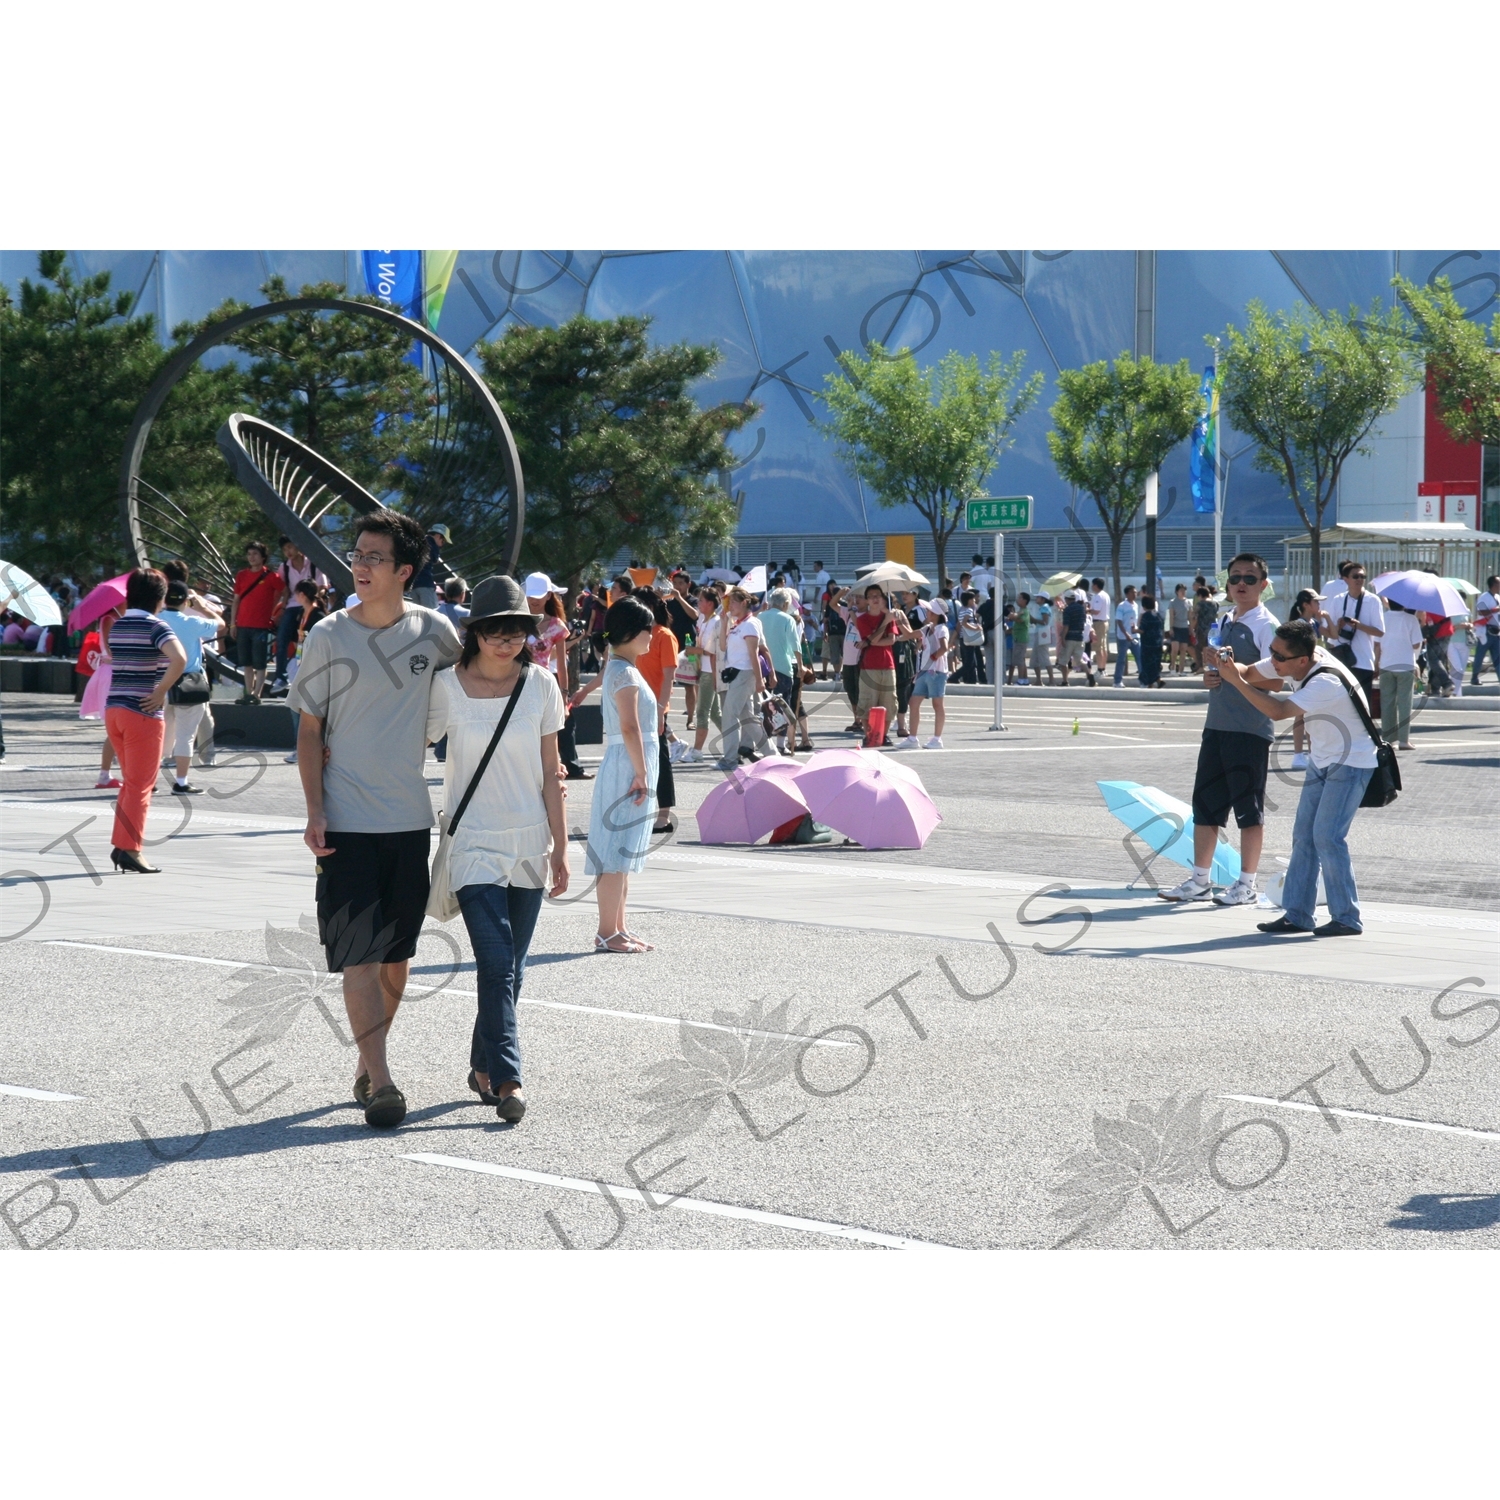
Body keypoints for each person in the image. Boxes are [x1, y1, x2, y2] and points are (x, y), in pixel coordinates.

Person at [289, 508, 462, 1130]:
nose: (360, 566)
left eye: (374, 558)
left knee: (395, 955)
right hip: (345, 821)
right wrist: (314, 809)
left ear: (405, 570)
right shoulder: (329, 635)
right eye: (357, 555)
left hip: (409, 819)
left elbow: (477, 689)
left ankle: (367, 1061)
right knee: (358, 953)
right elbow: (310, 730)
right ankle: (383, 1079)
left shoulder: (435, 633)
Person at [426, 575, 569, 1121]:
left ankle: (481, 1065)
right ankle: (509, 1079)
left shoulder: (541, 686)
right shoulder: (445, 686)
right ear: (475, 632)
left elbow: (549, 770)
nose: (506, 642)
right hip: (473, 843)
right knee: (494, 959)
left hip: (530, 840)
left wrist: (560, 846)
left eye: (516, 633)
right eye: (495, 632)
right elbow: (409, 742)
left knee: (513, 963)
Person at [1215, 621, 1379, 938]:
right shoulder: (1294, 656)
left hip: (1352, 761)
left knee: (1328, 837)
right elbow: (1249, 672)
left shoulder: (1325, 681)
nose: (1273, 661)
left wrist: (1234, 681)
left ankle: (1347, 917)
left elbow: (1278, 712)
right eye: (1272, 653)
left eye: (1279, 657)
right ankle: (1298, 915)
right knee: (1304, 837)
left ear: (1302, 660)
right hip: (1324, 758)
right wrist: (1226, 664)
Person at [1159, 553, 1282, 907]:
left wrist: (1236, 672)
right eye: (1235, 578)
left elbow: (1277, 681)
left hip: (1250, 729)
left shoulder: (1266, 625)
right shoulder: (1225, 618)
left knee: (1248, 810)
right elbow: (1217, 668)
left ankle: (1246, 884)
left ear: (1264, 585)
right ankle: (1200, 880)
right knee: (1206, 806)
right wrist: (1211, 675)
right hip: (1216, 724)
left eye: (1250, 578)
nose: (1241, 584)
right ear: (1227, 584)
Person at [587, 597, 660, 953]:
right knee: (616, 851)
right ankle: (607, 931)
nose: (652, 634)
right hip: (628, 764)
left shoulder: (618, 667)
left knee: (623, 851)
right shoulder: (625, 671)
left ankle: (618, 927)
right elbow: (630, 727)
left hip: (627, 761)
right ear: (630, 631)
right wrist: (642, 772)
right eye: (647, 628)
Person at [103, 569, 188, 874]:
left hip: (114, 708)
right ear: (159, 596)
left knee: (129, 784)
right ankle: (130, 849)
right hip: (143, 713)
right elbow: (180, 659)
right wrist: (160, 691)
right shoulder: (156, 626)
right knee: (141, 786)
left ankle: (121, 845)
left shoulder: (119, 625)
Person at [159, 581, 221, 795]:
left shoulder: (155, 620)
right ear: (186, 601)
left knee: (158, 735)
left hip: (159, 683)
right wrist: (201, 606)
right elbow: (220, 624)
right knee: (185, 735)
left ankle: (149, 780)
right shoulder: (192, 621)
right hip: (189, 683)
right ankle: (181, 782)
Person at [632, 587, 679, 832]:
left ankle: (664, 815)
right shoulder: (637, 634)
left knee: (660, 758)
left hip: (655, 707)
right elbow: (606, 634)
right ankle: (643, 810)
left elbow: (670, 675)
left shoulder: (663, 635)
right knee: (639, 759)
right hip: (634, 704)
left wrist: (661, 708)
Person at [715, 585, 771, 768]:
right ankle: (772, 754)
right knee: (747, 718)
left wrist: (760, 679)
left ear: (745, 603)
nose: (729, 606)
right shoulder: (737, 625)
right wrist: (724, 622)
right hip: (737, 674)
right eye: (728, 602)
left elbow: (754, 654)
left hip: (745, 673)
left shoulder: (750, 623)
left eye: (733, 603)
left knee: (729, 715)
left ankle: (730, 759)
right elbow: (723, 647)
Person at [269, 538, 327, 692]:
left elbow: (323, 587)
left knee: (311, 641)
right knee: (284, 640)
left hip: (310, 608)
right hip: (293, 607)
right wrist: (280, 609)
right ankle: (282, 677)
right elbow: (284, 590)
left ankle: (317, 675)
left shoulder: (313, 564)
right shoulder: (284, 568)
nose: (288, 552)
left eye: (290, 547)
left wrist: (313, 598)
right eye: (284, 549)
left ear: (298, 547)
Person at [230, 541, 280, 702]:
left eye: (255, 554)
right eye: (249, 554)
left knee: (260, 662)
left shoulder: (271, 576)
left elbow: (284, 592)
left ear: (263, 557)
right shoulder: (242, 575)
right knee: (246, 662)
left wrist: (277, 610)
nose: (251, 557)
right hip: (243, 624)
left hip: (261, 626)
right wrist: (233, 623)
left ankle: (257, 694)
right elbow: (236, 600)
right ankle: (248, 693)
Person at [1327, 564, 1384, 700]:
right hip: (1342, 661)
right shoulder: (1338, 600)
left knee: (1363, 707)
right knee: (1342, 705)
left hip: (1364, 661)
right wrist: (1339, 626)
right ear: (1345, 579)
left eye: (1362, 576)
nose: (1359, 579)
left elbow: (1380, 632)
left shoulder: (1372, 600)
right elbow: (1330, 633)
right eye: (1355, 576)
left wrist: (1358, 626)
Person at [1285, 589, 1327, 768]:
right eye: (1316, 601)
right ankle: (1298, 754)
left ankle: (1311, 753)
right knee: (1301, 714)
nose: (1319, 605)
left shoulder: (1313, 623)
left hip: (1313, 672)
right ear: (1305, 604)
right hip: (1301, 672)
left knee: (1311, 714)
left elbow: (1332, 635)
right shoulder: (1299, 625)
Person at [760, 588, 805, 755]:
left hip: (763, 668)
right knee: (782, 707)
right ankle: (781, 744)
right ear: (786, 604)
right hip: (783, 667)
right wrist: (800, 666)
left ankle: (766, 744)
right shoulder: (787, 619)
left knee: (764, 707)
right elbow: (795, 645)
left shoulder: (759, 617)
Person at [855, 583, 899, 744]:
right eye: (871, 596)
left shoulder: (889, 616)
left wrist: (874, 639)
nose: (875, 599)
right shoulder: (863, 619)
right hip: (869, 666)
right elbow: (872, 640)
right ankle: (869, 735)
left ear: (883, 598)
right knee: (868, 702)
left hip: (888, 665)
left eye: (878, 596)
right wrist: (884, 624)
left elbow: (891, 640)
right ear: (866, 600)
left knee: (889, 701)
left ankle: (883, 734)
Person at [1377, 599, 1423, 751]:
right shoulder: (1411, 619)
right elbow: (1416, 644)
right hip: (1405, 664)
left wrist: (1376, 663)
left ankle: (1388, 739)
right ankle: (1404, 740)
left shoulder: (1382, 617)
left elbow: (1377, 643)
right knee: (1404, 703)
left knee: (1387, 703)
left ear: (1388, 602)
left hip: (1386, 664)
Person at [684, 586, 723, 763]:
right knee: (715, 713)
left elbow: (713, 652)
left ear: (710, 603)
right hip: (703, 669)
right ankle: (735, 743)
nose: (698, 603)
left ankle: (697, 751)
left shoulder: (716, 622)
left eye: (700, 600)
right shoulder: (702, 620)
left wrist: (694, 650)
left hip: (711, 671)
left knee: (702, 712)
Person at [904, 602, 950, 748]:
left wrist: (934, 657)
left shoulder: (941, 629)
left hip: (937, 671)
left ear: (935, 613)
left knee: (937, 704)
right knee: (914, 702)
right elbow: (909, 634)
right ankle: (912, 738)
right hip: (924, 671)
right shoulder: (927, 628)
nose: (926, 612)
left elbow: (944, 647)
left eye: (929, 610)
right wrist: (899, 619)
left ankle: (937, 739)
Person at [409, 522, 453, 608]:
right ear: (437, 535)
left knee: (417, 614)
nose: (442, 544)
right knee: (432, 614)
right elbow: (434, 558)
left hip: (413, 585)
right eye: (443, 540)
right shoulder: (432, 544)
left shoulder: (418, 541)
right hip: (425, 584)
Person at [1059, 589, 1094, 687]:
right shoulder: (1081, 608)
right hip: (1080, 637)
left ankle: (1065, 681)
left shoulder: (1067, 610)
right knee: (1079, 660)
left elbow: (1066, 625)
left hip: (1070, 637)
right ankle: (1089, 674)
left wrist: (1062, 637)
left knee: (1063, 661)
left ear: (1067, 599)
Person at [1471, 575, 1500, 685]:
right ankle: (1474, 677)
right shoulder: (1484, 597)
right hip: (1486, 631)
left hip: (1496, 631)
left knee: (1498, 656)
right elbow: (1481, 612)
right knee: (1480, 655)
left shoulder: (1497, 597)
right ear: (1494, 584)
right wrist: (1497, 609)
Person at [1112, 585, 1141, 686]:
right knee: (1121, 659)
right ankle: (1117, 681)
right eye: (1133, 592)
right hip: (1123, 637)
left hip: (1135, 636)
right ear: (1127, 593)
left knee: (1139, 657)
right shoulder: (1122, 605)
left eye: (1136, 592)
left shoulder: (1136, 605)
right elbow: (1119, 621)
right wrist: (1126, 633)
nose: (1135, 594)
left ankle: (1143, 680)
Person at [956, 589, 986, 683]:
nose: (974, 601)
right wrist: (976, 628)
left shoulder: (961, 609)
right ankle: (954, 677)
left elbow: (961, 623)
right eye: (973, 599)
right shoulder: (969, 610)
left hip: (963, 637)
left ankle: (971, 680)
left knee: (971, 662)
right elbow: (964, 623)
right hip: (969, 638)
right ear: (969, 600)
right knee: (970, 663)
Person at [1137, 594, 1164, 688]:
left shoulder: (1146, 616)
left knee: (1147, 664)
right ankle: (1157, 679)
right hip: (1158, 643)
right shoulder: (1158, 616)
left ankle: (1148, 683)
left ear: (1144, 606)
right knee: (1156, 663)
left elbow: (1142, 630)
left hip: (1147, 644)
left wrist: (1134, 630)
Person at [1029, 592, 1055, 684]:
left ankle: (1051, 680)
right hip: (1040, 633)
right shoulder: (1043, 607)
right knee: (1035, 658)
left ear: (1043, 599)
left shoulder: (1044, 607)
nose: (1036, 599)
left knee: (1044, 657)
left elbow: (1044, 622)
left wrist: (1033, 619)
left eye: (1038, 597)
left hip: (1042, 634)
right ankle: (1038, 680)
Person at [1167, 584, 1193, 674]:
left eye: (1184, 590)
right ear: (1177, 591)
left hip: (1184, 627)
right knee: (1175, 649)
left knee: (1183, 649)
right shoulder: (1173, 602)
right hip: (1175, 627)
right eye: (1181, 590)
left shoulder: (1188, 602)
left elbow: (1190, 617)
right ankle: (1173, 668)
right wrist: (1170, 628)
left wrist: (1191, 629)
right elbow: (1171, 616)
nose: (1183, 592)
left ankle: (1181, 670)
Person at [1192, 586, 1218, 672]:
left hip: (1202, 629)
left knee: (1197, 647)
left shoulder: (1200, 604)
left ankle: (1200, 667)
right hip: (1213, 628)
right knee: (1212, 649)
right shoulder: (1215, 604)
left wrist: (1192, 628)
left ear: (1200, 595)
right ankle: (1213, 666)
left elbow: (1195, 617)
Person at [1088, 578, 1111, 672]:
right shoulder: (1105, 595)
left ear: (1096, 585)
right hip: (1104, 622)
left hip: (1098, 623)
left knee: (1098, 647)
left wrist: (1087, 610)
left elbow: (1096, 611)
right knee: (1103, 646)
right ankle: (1103, 668)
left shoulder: (1099, 596)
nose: (1092, 586)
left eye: (1093, 585)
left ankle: (1100, 669)